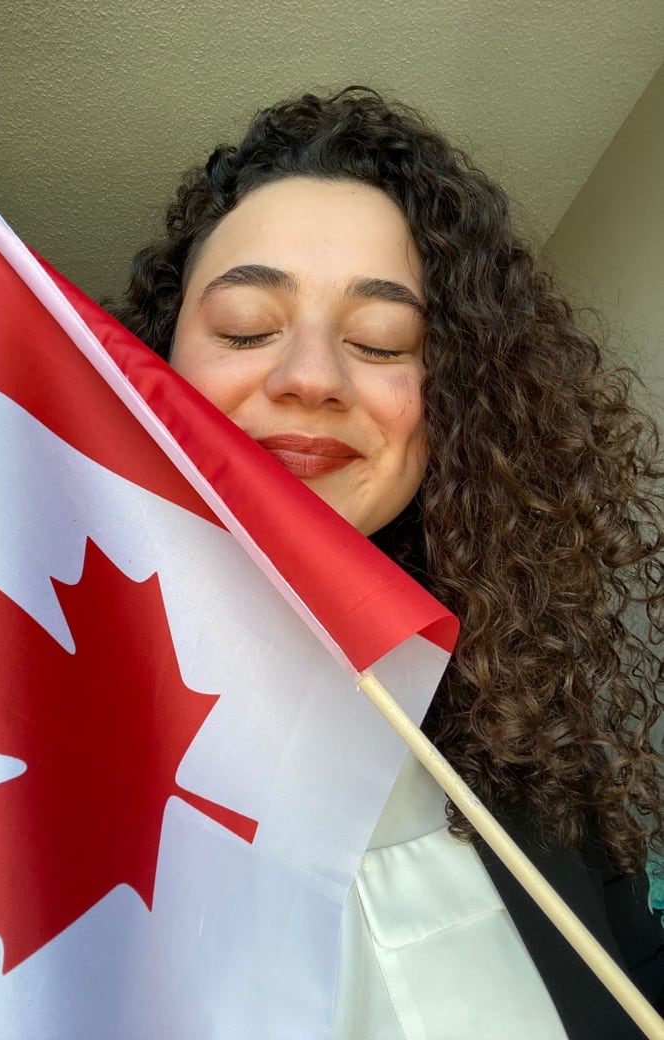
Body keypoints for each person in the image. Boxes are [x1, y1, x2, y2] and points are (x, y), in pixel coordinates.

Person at [107, 87, 664, 1038]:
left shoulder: (526, 733)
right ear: (156, 369)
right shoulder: (7, 725)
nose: (312, 377)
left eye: (382, 341)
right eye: (245, 327)